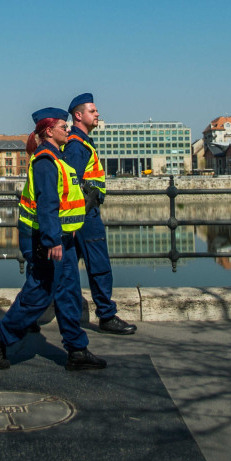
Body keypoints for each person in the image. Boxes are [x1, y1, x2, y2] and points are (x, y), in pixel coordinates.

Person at [0, 107, 107, 371]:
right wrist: (52, 241)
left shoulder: (57, 157)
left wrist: (68, 229)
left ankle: (77, 350)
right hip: (47, 239)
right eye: (63, 127)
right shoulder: (46, 161)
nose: (68, 130)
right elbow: (47, 204)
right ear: (49, 131)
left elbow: (64, 199)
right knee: (39, 293)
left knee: (68, 292)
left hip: (62, 237)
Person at [63, 92, 137, 335]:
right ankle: (106, 316)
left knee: (65, 268)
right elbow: (71, 184)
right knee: (99, 264)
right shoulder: (77, 145)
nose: (97, 114)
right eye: (92, 111)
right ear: (78, 115)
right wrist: (77, 219)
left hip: (81, 213)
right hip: (85, 215)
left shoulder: (80, 143)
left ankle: (32, 316)